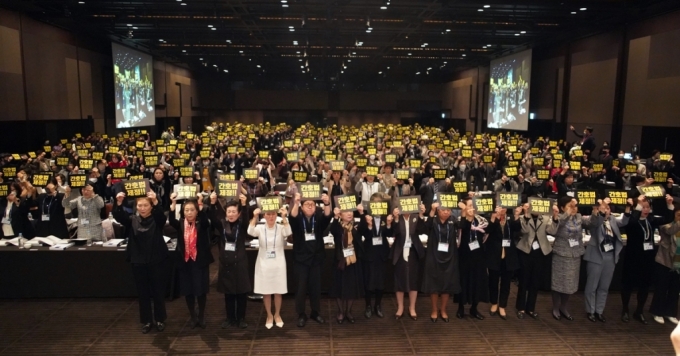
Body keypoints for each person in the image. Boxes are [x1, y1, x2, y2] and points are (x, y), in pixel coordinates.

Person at [113, 190, 169, 334]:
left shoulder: (156, 219)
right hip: (138, 260)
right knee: (143, 293)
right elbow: (119, 216)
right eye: (140, 206)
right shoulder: (133, 220)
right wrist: (119, 202)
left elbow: (161, 217)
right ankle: (146, 321)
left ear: (150, 206)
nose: (142, 208)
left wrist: (156, 201)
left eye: (145, 205)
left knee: (158, 291)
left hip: (156, 260)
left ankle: (160, 319)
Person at [621, 194, 675, 324]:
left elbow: (667, 219)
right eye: (643, 207)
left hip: (647, 258)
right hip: (632, 257)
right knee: (628, 285)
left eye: (647, 207)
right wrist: (637, 205)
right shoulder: (631, 220)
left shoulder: (650, 220)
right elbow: (631, 222)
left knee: (644, 286)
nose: (645, 210)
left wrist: (669, 205)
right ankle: (625, 310)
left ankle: (639, 311)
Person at [169, 193, 214, 329]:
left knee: (201, 290)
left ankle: (201, 315)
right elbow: (171, 221)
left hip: (199, 262)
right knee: (188, 290)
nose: (189, 213)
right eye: (186, 210)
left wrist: (200, 203)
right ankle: (193, 316)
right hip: (185, 262)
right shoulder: (180, 224)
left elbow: (206, 221)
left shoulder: (201, 223)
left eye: (192, 210)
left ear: (197, 211)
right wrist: (172, 204)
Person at [551, 196, 600, 321]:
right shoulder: (559, 217)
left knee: (570, 284)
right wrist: (567, 212)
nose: (573, 208)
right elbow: (556, 226)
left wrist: (595, 211)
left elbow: (592, 223)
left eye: (575, 206)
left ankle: (564, 307)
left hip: (575, 254)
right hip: (561, 254)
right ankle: (555, 307)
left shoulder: (578, 217)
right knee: (558, 283)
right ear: (563, 208)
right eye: (570, 206)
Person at [288, 192, 332, 327]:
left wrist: (327, 203)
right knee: (301, 288)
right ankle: (301, 313)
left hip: (316, 258)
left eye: (312, 204)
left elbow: (327, 216)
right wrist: (296, 203)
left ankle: (315, 312)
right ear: (302, 207)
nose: (310, 207)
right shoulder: (298, 217)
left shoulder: (318, 217)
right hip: (301, 259)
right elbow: (292, 217)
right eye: (307, 204)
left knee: (315, 287)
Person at [583, 200, 630, 322]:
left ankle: (599, 311)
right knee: (592, 286)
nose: (607, 210)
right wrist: (600, 211)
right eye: (604, 209)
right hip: (596, 256)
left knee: (604, 286)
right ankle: (590, 310)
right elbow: (595, 222)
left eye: (608, 208)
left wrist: (628, 207)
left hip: (610, 256)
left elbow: (624, 221)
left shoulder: (612, 220)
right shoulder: (595, 220)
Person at [209, 193, 251, 329]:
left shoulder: (242, 225)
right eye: (229, 212)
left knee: (241, 293)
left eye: (234, 212)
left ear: (238, 214)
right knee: (228, 293)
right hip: (226, 262)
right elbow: (213, 218)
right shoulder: (222, 224)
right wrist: (213, 203)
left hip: (240, 262)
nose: (231, 214)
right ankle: (230, 318)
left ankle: (241, 318)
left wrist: (244, 205)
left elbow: (246, 218)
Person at [247, 205, 291, 329]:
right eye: (268, 214)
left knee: (278, 291)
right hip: (263, 263)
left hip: (278, 263)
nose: (271, 216)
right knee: (266, 292)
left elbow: (289, 232)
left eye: (273, 214)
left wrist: (284, 217)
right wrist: (254, 217)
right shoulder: (260, 228)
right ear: (264, 215)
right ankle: (269, 315)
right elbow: (250, 232)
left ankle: (277, 314)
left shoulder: (281, 227)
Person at [517, 202, 558, 319]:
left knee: (535, 281)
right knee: (524, 280)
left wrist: (555, 216)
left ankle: (531, 308)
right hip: (525, 250)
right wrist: (525, 214)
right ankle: (521, 308)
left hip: (541, 252)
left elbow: (553, 231)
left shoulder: (546, 218)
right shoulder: (523, 217)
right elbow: (524, 231)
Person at [421, 202, 459, 323]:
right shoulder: (433, 220)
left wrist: (463, 211)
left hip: (449, 256)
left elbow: (464, 224)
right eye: (443, 210)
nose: (446, 212)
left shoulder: (453, 221)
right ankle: (434, 310)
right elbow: (424, 227)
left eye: (448, 210)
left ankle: (443, 310)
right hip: (433, 256)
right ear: (438, 211)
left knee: (446, 285)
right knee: (434, 285)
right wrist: (431, 210)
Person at [329, 205, 365, 324]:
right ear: (340, 215)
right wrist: (334, 216)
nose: (349, 214)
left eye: (351, 211)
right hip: (340, 261)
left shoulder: (355, 227)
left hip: (353, 261)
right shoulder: (338, 227)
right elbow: (332, 229)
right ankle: (340, 312)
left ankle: (349, 311)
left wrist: (362, 213)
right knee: (339, 287)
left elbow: (365, 229)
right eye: (346, 212)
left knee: (351, 288)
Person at [389, 204, 425, 320]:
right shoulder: (397, 217)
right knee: (399, 280)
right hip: (399, 251)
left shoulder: (415, 216)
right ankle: (400, 307)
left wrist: (421, 214)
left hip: (413, 251)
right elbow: (393, 233)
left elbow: (421, 230)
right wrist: (394, 218)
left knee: (413, 279)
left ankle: (412, 307)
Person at [357, 198, 392, 319]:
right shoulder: (367, 218)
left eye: (379, 204)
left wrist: (388, 224)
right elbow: (361, 232)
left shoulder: (385, 217)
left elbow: (390, 234)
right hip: (369, 254)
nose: (377, 206)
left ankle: (378, 306)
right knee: (369, 281)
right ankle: (368, 306)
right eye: (375, 204)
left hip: (382, 254)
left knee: (380, 282)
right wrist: (369, 226)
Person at [486, 206, 521, 320]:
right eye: (501, 206)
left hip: (508, 255)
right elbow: (488, 230)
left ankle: (502, 305)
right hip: (494, 255)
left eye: (505, 207)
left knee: (506, 283)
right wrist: (494, 217)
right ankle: (494, 303)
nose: (503, 209)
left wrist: (516, 215)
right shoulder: (491, 217)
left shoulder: (510, 218)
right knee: (493, 281)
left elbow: (517, 228)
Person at [457, 198, 490, 320]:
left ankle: (474, 308)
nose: (472, 208)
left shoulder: (482, 220)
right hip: (464, 255)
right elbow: (463, 228)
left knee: (478, 281)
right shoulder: (461, 220)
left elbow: (487, 234)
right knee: (463, 281)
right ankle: (461, 307)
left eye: (474, 205)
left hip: (478, 256)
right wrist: (466, 214)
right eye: (470, 205)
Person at [650, 207, 680, 325]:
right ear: (674, 215)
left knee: (674, 289)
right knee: (662, 288)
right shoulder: (665, 226)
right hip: (665, 262)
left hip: (678, 264)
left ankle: (671, 313)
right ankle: (657, 312)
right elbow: (671, 230)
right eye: (678, 215)